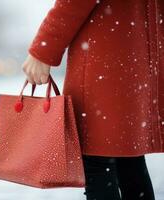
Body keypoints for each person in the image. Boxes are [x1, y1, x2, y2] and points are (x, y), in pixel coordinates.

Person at [22, 0, 164, 199]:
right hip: (136, 58)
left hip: (105, 61)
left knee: (98, 160)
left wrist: (42, 51)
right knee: (128, 159)